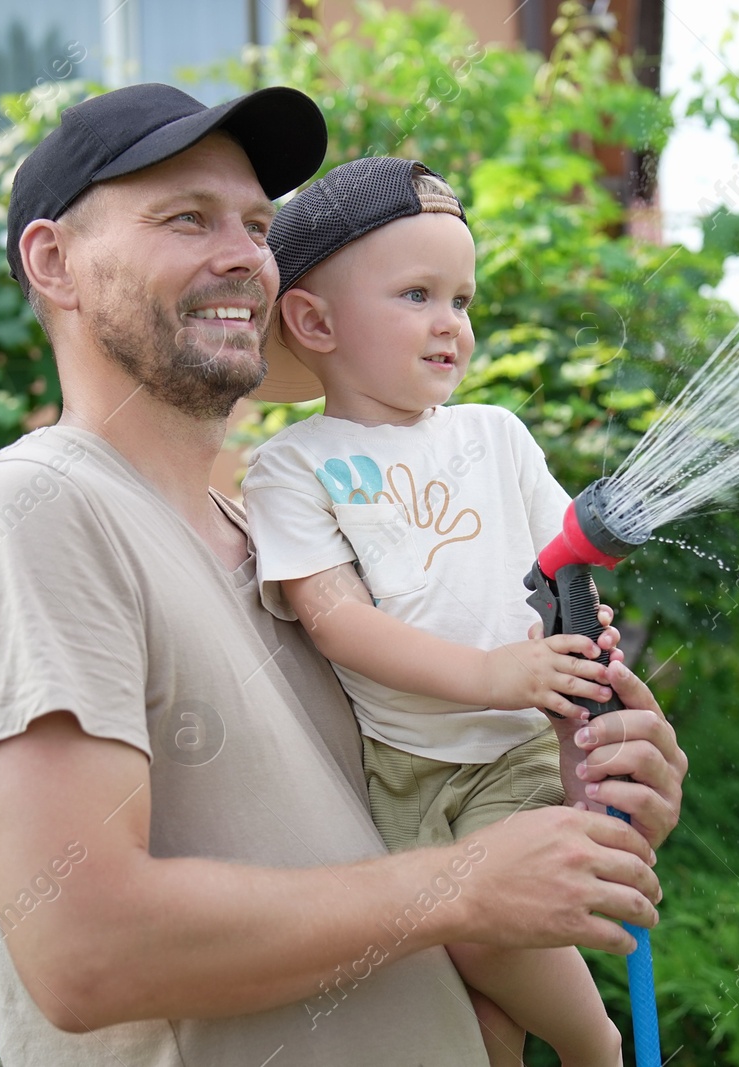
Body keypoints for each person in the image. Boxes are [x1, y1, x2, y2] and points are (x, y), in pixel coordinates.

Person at [0, 82, 687, 1067]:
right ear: (54, 262)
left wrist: (584, 794)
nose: (243, 253)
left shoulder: (287, 555)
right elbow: (82, 947)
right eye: (186, 217)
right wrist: (463, 881)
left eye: (255, 223)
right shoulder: (37, 508)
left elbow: (414, 862)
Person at [243, 157, 626, 1066]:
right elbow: (336, 619)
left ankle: (594, 1046)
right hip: (401, 775)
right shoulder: (293, 466)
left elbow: (562, 566)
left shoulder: (495, 435)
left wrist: (583, 634)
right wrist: (490, 672)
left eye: (462, 298)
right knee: (463, 1010)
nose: (450, 322)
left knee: (491, 921)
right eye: (417, 293)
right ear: (314, 321)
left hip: (509, 750)